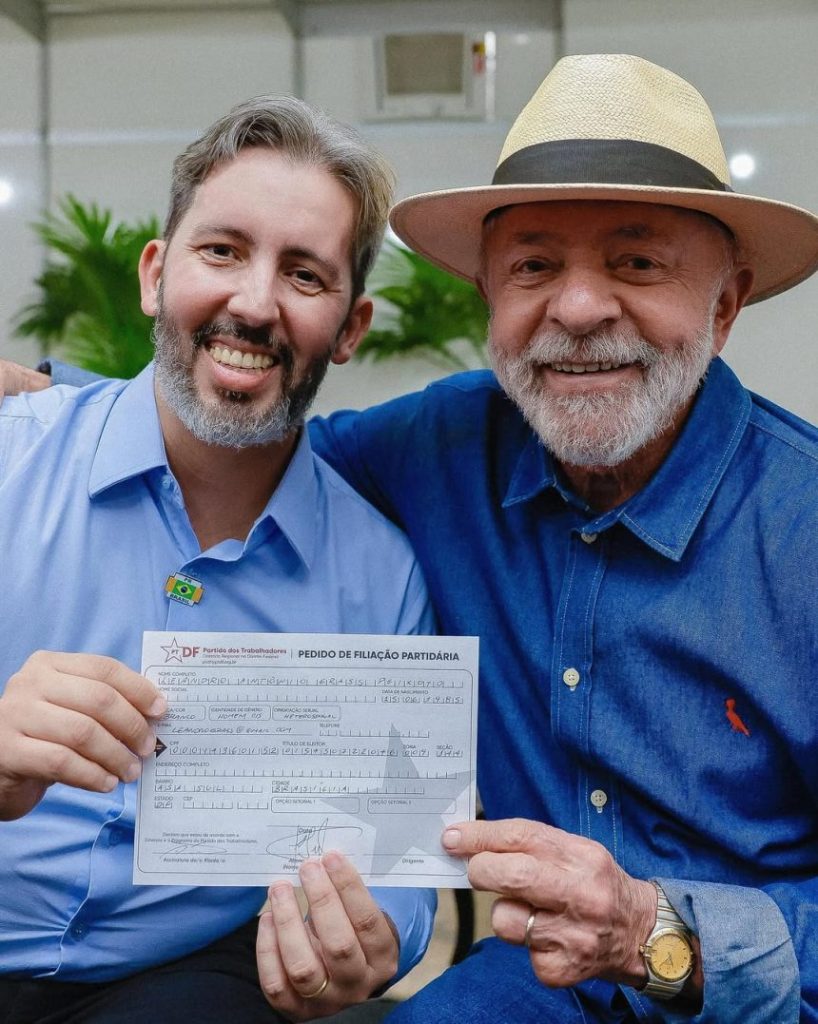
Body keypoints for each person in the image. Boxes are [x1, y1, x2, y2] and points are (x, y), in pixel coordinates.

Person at [5, 53, 818, 1023]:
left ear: (723, 305)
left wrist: (658, 934)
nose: (577, 308)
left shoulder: (800, 525)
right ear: (490, 300)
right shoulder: (441, 449)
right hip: (533, 989)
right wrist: (62, 415)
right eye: (533, 267)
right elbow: (235, 432)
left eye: (637, 263)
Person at [0, 96, 436, 1024]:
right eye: (223, 251)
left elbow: (399, 858)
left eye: (305, 275)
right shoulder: (10, 461)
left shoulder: (382, 576)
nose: (254, 302)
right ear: (156, 274)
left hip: (175, 978)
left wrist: (373, 936)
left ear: (351, 329)